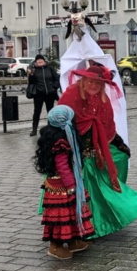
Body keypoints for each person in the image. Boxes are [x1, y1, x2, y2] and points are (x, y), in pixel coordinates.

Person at [58, 63, 137, 238]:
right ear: (84, 80)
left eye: (98, 84)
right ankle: (80, 223)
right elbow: (60, 121)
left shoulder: (102, 98)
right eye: (90, 82)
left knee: (120, 157)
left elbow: (107, 124)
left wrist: (118, 143)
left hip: (95, 147)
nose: (93, 86)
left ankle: (98, 220)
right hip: (74, 148)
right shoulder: (72, 94)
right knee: (83, 185)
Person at [34, 106, 95, 259]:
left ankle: (74, 240)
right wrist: (71, 186)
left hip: (61, 182)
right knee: (61, 216)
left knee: (70, 213)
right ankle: (55, 246)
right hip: (62, 185)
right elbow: (62, 166)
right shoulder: (61, 141)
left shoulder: (52, 136)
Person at [28, 54, 62, 136]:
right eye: (38, 60)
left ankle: (51, 128)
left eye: (41, 60)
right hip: (38, 94)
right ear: (36, 62)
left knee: (50, 111)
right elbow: (31, 82)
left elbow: (57, 78)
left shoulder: (50, 68)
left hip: (50, 94)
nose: (40, 61)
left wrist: (54, 87)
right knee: (37, 111)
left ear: (44, 61)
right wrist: (31, 74)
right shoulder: (33, 69)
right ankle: (34, 129)